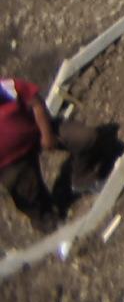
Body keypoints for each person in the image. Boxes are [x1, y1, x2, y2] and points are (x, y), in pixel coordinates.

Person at [1, 69, 72, 227]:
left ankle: (85, 177)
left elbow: (35, 101)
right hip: (9, 163)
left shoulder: (8, 88)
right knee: (30, 195)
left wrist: (46, 134)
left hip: (35, 135)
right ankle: (51, 225)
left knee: (83, 138)